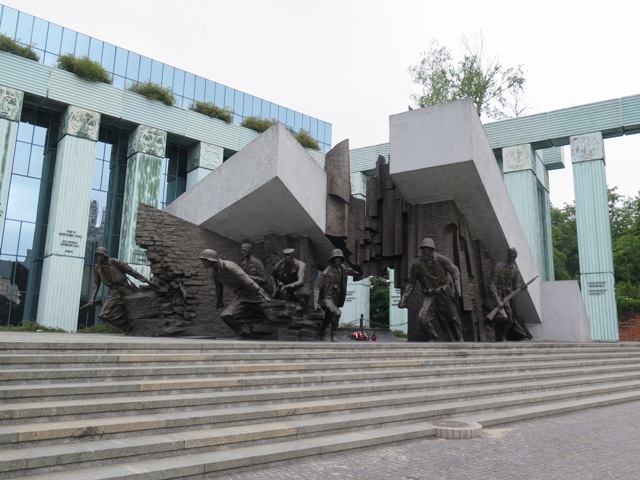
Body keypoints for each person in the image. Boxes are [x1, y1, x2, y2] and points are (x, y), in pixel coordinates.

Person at [397, 237, 464, 342]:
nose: (424, 250)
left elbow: (455, 270)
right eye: (423, 248)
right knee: (422, 318)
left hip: (444, 292)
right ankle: (433, 336)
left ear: (432, 249)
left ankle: (460, 337)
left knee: (453, 316)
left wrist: (457, 289)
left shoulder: (441, 259)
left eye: (427, 248)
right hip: (430, 295)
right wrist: (404, 298)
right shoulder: (417, 264)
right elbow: (411, 283)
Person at [199, 249, 271, 335]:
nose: (202, 263)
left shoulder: (228, 266)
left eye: (204, 261)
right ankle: (249, 333)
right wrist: (219, 301)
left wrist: (261, 293)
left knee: (270, 312)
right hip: (241, 295)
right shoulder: (215, 274)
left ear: (210, 260)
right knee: (226, 316)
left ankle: (270, 330)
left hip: (253, 292)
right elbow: (218, 288)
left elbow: (246, 279)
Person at [89, 247, 152, 333]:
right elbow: (96, 283)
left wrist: (146, 280)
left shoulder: (115, 262)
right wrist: (92, 298)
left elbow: (132, 272)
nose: (98, 257)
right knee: (103, 315)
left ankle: (139, 327)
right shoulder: (97, 268)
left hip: (125, 289)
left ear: (105, 255)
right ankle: (127, 327)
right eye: (97, 255)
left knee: (135, 311)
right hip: (113, 292)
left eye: (100, 255)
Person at [487, 247, 531, 341]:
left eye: (515, 257)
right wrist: (497, 300)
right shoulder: (499, 266)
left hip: (507, 297)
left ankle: (501, 336)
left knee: (510, 320)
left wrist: (522, 287)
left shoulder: (515, 269)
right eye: (512, 256)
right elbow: (492, 285)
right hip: (496, 296)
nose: (513, 258)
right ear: (508, 255)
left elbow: (516, 285)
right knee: (503, 317)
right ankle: (490, 323)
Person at [314, 248, 350, 342]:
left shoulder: (343, 268)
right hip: (327, 298)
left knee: (329, 316)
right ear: (332, 259)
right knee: (337, 313)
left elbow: (350, 271)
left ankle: (322, 331)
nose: (337, 260)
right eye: (335, 258)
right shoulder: (325, 273)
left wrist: (359, 272)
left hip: (337, 297)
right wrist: (316, 303)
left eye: (339, 258)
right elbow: (317, 288)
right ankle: (333, 335)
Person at [271, 248, 311, 312]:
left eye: (289, 255)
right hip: (287, 288)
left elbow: (300, 281)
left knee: (297, 293)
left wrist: (286, 286)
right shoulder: (280, 263)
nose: (287, 257)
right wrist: (275, 289)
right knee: (281, 295)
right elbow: (272, 275)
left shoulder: (301, 264)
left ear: (292, 256)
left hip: (301, 287)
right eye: (285, 255)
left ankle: (305, 312)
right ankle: (286, 313)